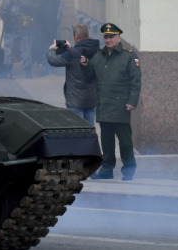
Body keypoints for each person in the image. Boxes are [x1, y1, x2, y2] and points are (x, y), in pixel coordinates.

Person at [83, 23, 141, 181]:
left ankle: (129, 170)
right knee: (106, 142)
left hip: (121, 106)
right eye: (106, 37)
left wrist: (132, 101)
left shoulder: (128, 57)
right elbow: (90, 77)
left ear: (119, 38)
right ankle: (107, 169)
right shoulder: (98, 56)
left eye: (111, 37)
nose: (108, 40)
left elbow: (135, 81)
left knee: (125, 142)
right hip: (104, 105)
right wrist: (85, 65)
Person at [45, 24, 99, 124]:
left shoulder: (72, 53)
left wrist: (51, 50)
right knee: (90, 129)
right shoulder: (96, 50)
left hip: (75, 101)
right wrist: (71, 48)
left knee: (77, 129)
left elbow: (54, 60)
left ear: (76, 35)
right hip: (91, 99)